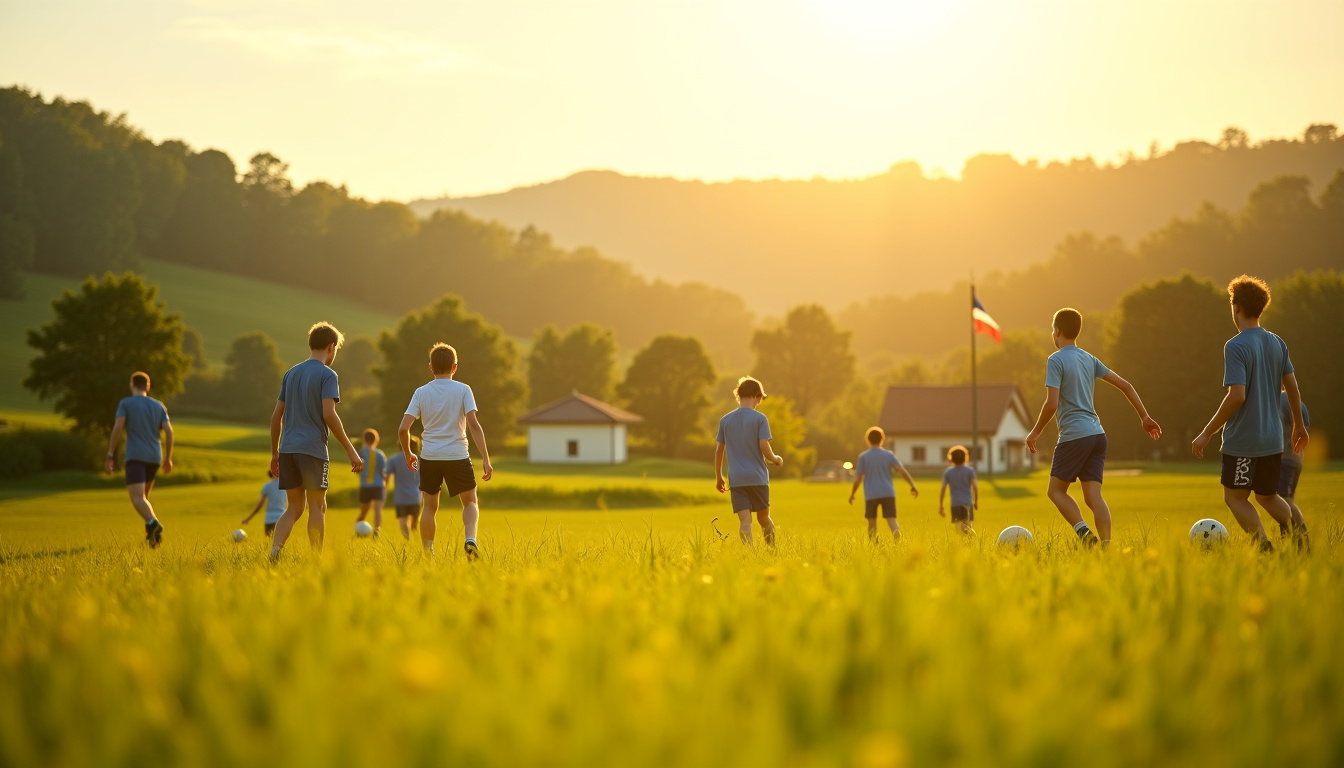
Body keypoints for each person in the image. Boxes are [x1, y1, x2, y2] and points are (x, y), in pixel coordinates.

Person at [1025, 308, 1162, 547]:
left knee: (1055, 491)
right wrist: (1145, 417)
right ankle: (1106, 546)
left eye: (1052, 330)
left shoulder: (1055, 360)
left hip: (1074, 436)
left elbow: (1051, 404)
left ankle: (1085, 536)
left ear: (1057, 332)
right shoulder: (1089, 358)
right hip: (1097, 435)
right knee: (1093, 496)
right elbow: (1126, 385)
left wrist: (1035, 432)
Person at [1192, 276, 1308, 550]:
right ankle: (1301, 540)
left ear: (1236, 306)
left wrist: (1207, 432)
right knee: (1267, 496)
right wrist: (1299, 425)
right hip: (1273, 440)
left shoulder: (1236, 346)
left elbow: (1237, 395)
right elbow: (1291, 385)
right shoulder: (1277, 342)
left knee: (1234, 497)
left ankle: (1264, 548)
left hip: (1244, 441)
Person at [269, 322, 364, 560]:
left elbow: (276, 416)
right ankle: (315, 560)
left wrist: (274, 454)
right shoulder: (327, 375)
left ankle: (274, 551)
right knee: (317, 506)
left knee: (293, 508)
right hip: (312, 450)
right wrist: (351, 451)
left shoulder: (290, 374)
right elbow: (329, 413)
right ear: (331, 347)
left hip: (288, 450)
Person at [397, 343, 493, 559]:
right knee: (470, 502)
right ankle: (470, 540)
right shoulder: (463, 390)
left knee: (430, 507)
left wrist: (407, 454)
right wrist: (486, 458)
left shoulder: (421, 392)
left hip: (430, 456)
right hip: (457, 454)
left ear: (430, 367)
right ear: (455, 367)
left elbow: (403, 428)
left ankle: (428, 554)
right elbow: (474, 425)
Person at [104, 371, 173, 547]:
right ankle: (151, 537)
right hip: (154, 457)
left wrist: (110, 454)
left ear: (132, 384)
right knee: (144, 498)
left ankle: (154, 524)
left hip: (136, 456)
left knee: (137, 498)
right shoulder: (159, 406)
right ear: (147, 386)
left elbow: (118, 426)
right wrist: (168, 459)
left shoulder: (126, 403)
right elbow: (169, 431)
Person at [715, 376, 784, 546]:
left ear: (739, 395)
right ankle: (772, 550)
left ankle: (749, 554)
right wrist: (775, 459)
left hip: (737, 479)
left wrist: (719, 477)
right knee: (763, 518)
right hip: (757, 478)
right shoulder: (760, 419)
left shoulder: (725, 420)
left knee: (745, 522)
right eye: (760, 398)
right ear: (757, 395)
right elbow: (764, 445)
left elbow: (719, 451)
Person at [847, 426, 918, 540]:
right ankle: (899, 544)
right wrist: (912, 486)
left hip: (871, 494)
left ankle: (874, 548)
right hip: (888, 492)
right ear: (882, 439)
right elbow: (902, 471)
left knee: (872, 523)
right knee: (892, 520)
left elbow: (858, 478)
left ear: (867, 440)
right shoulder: (889, 455)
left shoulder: (864, 457)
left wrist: (852, 494)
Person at [1278, 388, 1310, 545]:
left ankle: (1301, 538)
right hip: (1296, 459)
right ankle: (1290, 537)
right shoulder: (1300, 404)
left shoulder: (1280, 400)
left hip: (1285, 459)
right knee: (1283, 499)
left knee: (1284, 500)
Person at [385, 435, 423, 540]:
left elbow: (386, 476)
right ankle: (415, 539)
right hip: (416, 496)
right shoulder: (420, 460)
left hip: (400, 497)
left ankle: (407, 539)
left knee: (403, 520)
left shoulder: (393, 459)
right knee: (415, 521)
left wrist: (384, 490)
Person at [938, 445, 978, 535]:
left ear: (951, 458)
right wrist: (976, 502)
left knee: (959, 528)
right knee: (968, 526)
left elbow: (943, 490)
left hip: (956, 503)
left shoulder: (948, 472)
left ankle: (973, 537)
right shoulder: (969, 471)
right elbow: (975, 487)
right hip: (968, 503)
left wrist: (941, 506)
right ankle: (971, 542)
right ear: (965, 458)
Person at [356, 429, 388, 536]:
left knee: (364, 512)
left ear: (364, 439)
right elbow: (384, 472)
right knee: (378, 510)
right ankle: (377, 530)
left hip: (365, 486)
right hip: (378, 485)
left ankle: (358, 530)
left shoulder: (360, 453)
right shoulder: (380, 454)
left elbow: (357, 470)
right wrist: (385, 486)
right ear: (376, 440)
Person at [241, 472, 287, 536]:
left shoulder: (268, 486)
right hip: (282, 518)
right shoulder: (285, 485)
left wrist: (248, 518)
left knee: (270, 543)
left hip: (270, 519)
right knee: (281, 543)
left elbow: (259, 505)